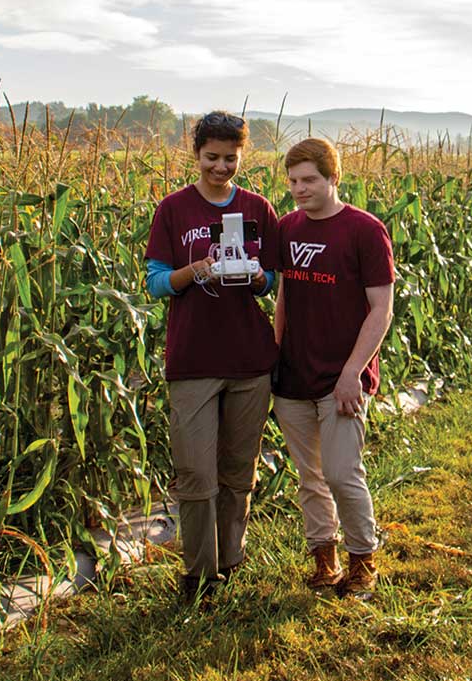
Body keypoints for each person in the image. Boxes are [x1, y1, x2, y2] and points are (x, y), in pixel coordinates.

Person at [145, 111, 279, 600]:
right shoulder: (174, 210)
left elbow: (273, 279)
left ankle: (231, 560)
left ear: (241, 155)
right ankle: (199, 574)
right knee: (196, 473)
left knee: (237, 471)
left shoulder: (259, 208)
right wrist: (195, 270)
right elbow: (156, 282)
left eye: (230, 158)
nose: (221, 167)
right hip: (194, 360)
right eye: (212, 157)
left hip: (249, 360)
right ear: (196, 153)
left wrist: (256, 277)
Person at [272, 137, 394, 598]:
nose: (299, 189)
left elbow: (380, 308)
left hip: (341, 377)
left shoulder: (363, 230)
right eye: (292, 181)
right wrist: (275, 353)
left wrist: (353, 372)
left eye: (309, 180)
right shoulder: (287, 228)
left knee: (343, 473)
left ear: (333, 178)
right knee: (310, 477)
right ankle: (324, 560)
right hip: (293, 376)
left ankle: (363, 562)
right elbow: (285, 297)